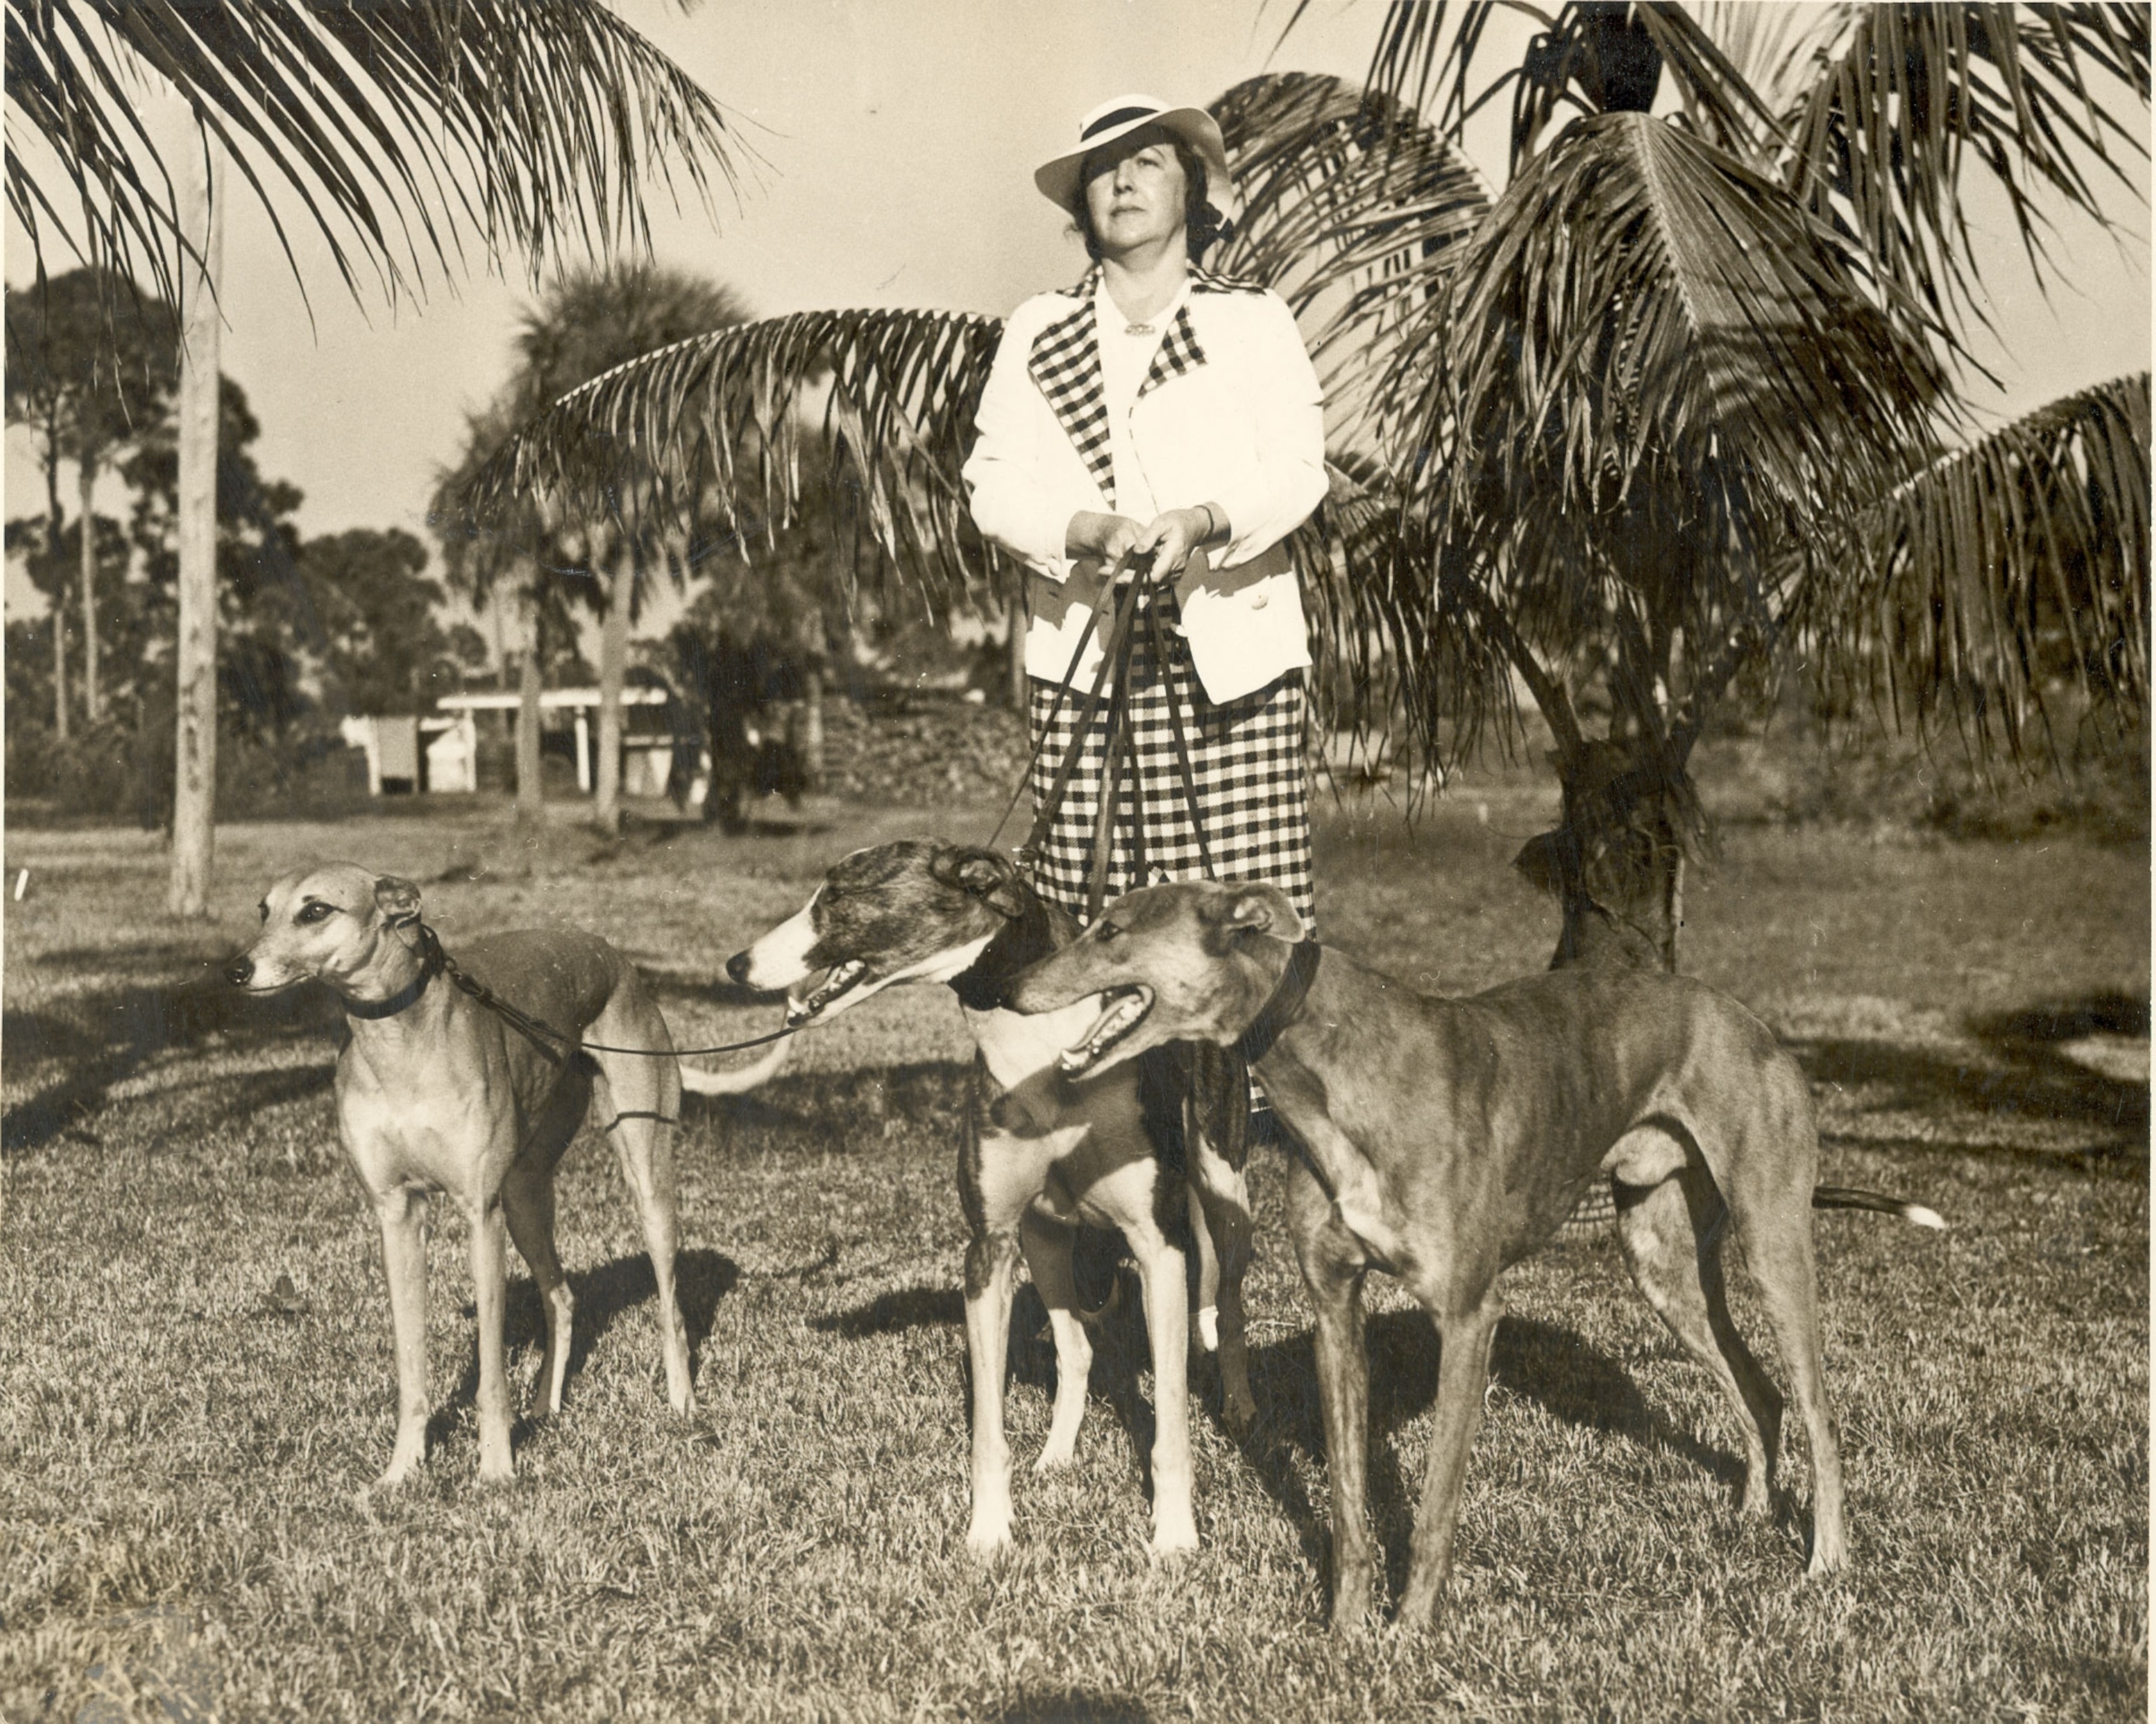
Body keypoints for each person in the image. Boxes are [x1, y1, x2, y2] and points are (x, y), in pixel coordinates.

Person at [964, 93, 1328, 937]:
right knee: (1097, 931)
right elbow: (994, 485)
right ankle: (1110, 1076)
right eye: (1101, 168)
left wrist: (1205, 519)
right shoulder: (1037, 329)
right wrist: (1083, 530)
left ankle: (1244, 1080)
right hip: (1087, 667)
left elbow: (1300, 471)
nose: (1122, 181)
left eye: (1147, 162)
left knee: (1244, 937)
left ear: (1190, 195)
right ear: (1081, 204)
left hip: (1235, 672)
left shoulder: (1250, 319)